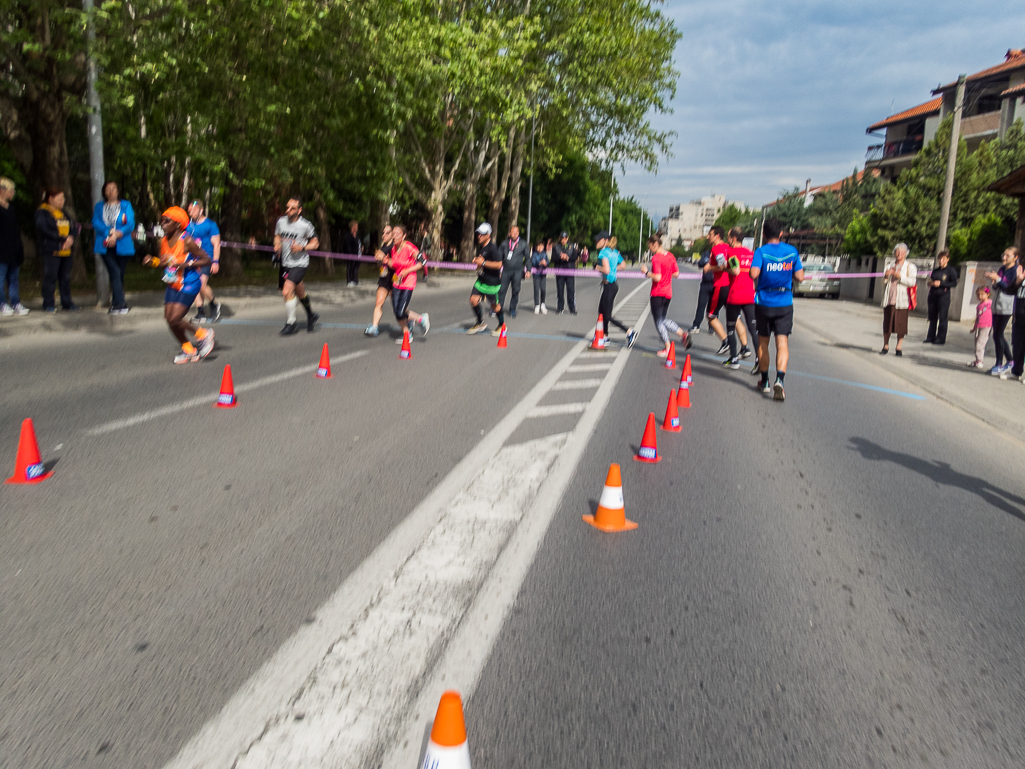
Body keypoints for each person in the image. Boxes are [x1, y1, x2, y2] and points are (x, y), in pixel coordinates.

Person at [143, 206, 215, 364]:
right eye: (161, 220)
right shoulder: (163, 241)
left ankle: (203, 334)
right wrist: (152, 262)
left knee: (175, 318)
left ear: (177, 224)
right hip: (173, 283)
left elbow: (206, 260)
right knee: (169, 319)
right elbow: (165, 263)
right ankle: (189, 350)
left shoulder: (187, 240)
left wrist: (185, 263)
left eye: (166, 220)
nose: (162, 223)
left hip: (189, 282)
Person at [750, 218, 804, 401]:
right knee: (782, 344)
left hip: (765, 302)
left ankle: (764, 382)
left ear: (764, 234)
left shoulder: (761, 251)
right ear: (781, 233)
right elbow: (800, 277)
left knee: (763, 343)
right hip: (784, 303)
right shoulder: (792, 252)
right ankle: (779, 380)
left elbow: (753, 274)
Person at [273, 197, 319, 335]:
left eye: (292, 208)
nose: (288, 210)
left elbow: (315, 243)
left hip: (299, 264)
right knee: (299, 292)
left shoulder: (305, 225)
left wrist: (302, 247)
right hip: (285, 263)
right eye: (287, 207)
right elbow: (277, 235)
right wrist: (277, 244)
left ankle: (291, 323)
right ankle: (311, 315)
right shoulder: (281, 221)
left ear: (299, 210)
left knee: (286, 291)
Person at [639, 233, 689, 358]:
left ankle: (670, 345)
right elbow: (676, 273)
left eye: (650, 247)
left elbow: (657, 277)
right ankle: (681, 335)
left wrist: (647, 272)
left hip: (658, 292)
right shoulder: (670, 256)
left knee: (659, 321)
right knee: (662, 318)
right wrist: (667, 276)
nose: (650, 250)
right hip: (668, 293)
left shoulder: (656, 258)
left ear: (655, 245)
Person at [92, 181, 136, 315]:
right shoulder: (99, 206)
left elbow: (130, 223)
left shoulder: (125, 205)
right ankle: (120, 304)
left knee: (119, 274)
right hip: (105, 245)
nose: (111, 191)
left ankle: (118, 303)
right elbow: (96, 222)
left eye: (114, 189)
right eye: (108, 189)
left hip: (123, 244)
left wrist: (117, 234)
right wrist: (109, 233)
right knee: (115, 272)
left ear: (118, 191)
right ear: (104, 192)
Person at [35, 187, 80, 312]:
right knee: (51, 276)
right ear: (50, 199)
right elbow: (44, 229)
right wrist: (62, 238)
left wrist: (70, 238)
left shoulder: (63, 213)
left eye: (63, 198)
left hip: (67, 250)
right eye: (60, 198)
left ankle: (67, 302)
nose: (63, 200)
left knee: (65, 277)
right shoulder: (43, 212)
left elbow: (74, 227)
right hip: (52, 250)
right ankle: (48, 303)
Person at [723, 226, 757, 372]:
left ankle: (734, 358)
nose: (727, 240)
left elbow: (735, 270)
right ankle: (759, 359)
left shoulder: (731, 252)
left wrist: (724, 267)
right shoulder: (751, 254)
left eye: (729, 237)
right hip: (750, 295)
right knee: (753, 328)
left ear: (734, 238)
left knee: (731, 326)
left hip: (735, 295)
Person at [387, 223, 429, 341]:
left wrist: (407, 271)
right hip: (397, 281)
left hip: (408, 282)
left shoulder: (409, 247)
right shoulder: (393, 249)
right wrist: (386, 261)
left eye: (397, 234)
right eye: (393, 234)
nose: (394, 236)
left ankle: (421, 319)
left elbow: (423, 262)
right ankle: (407, 335)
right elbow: (395, 264)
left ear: (404, 236)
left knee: (400, 312)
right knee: (397, 311)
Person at [593, 232, 636, 346]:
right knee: (601, 312)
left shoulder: (603, 252)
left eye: (598, 240)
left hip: (610, 286)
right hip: (611, 285)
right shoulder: (615, 252)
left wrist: (597, 267)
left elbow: (606, 270)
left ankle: (630, 332)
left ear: (605, 241)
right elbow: (623, 265)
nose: (596, 242)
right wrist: (612, 269)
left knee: (607, 315)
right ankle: (605, 336)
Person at [186, 199, 221, 322]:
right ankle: (201, 312)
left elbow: (216, 244)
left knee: (201, 285)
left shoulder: (210, 225)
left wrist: (215, 262)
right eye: (190, 211)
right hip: (192, 259)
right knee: (194, 284)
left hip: (206, 259)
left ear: (201, 210)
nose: (191, 213)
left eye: (194, 210)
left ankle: (213, 303)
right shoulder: (189, 226)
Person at [467, 222, 504, 335]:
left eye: (482, 234)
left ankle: (502, 325)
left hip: (492, 282)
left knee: (495, 306)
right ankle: (480, 322)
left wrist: (483, 262)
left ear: (489, 235)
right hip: (481, 280)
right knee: (473, 300)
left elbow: (499, 265)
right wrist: (477, 263)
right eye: (478, 234)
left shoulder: (493, 248)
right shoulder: (481, 248)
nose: (479, 236)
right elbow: (481, 265)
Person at [880, 243, 917, 356]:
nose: (898, 254)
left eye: (901, 252)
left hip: (902, 300)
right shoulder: (889, 265)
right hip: (890, 298)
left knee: (901, 324)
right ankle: (885, 345)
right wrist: (886, 276)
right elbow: (883, 283)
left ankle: (899, 347)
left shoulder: (910, 266)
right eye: (897, 252)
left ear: (905, 254)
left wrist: (900, 277)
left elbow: (912, 282)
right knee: (887, 323)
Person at [985, 247, 1018, 376]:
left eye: (1007, 256)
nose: (1004, 258)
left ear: (1015, 258)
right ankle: (1009, 360)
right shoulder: (1002, 269)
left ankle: (1000, 363)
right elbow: (998, 285)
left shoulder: (1016, 271)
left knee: (998, 334)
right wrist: (994, 282)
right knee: (997, 334)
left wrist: (998, 280)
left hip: (1007, 305)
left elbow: (1010, 288)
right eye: (1003, 255)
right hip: (997, 304)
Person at [0, 177, 28, 316]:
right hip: (2, 250)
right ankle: (2, 304)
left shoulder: (11, 207)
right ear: (2, 190)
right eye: (11, 190)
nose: (13, 193)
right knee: (0, 278)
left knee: (13, 278)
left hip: (14, 248)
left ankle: (16, 302)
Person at [705, 225, 731, 355]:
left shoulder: (717, 248)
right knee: (734, 316)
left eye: (710, 234)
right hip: (730, 285)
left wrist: (709, 267)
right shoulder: (728, 247)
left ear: (717, 236)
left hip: (720, 285)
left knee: (710, 316)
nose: (707, 237)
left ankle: (726, 341)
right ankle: (743, 346)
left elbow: (722, 266)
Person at [365, 224, 394, 336]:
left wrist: (384, 258)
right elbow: (381, 261)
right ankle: (374, 327)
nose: (384, 235)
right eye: (383, 232)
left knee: (398, 307)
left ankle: (413, 320)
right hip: (384, 278)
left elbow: (396, 262)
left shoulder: (394, 247)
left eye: (387, 233)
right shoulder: (383, 246)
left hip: (394, 279)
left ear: (392, 234)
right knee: (378, 303)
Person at [925, 250, 958, 344]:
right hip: (933, 295)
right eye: (940, 259)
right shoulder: (935, 271)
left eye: (943, 259)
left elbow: (954, 283)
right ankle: (930, 336)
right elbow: (930, 280)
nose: (941, 261)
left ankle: (940, 338)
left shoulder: (950, 270)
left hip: (943, 296)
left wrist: (941, 283)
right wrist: (931, 283)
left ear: (947, 259)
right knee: (932, 317)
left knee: (942, 317)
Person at [497, 224, 528, 317]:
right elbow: (499, 258)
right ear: (509, 233)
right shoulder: (504, 244)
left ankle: (512, 309)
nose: (514, 234)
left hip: (517, 271)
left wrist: (528, 270)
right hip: (506, 271)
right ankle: (498, 309)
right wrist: (498, 271)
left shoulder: (523, 244)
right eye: (512, 232)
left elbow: (528, 258)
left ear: (518, 233)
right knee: (501, 290)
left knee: (515, 290)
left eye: (516, 232)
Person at [966, 286, 992, 369]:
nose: (980, 296)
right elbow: (977, 317)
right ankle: (977, 360)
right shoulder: (979, 306)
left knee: (980, 344)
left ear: (988, 294)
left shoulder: (990, 304)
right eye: (978, 295)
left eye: (982, 294)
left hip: (986, 326)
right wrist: (974, 327)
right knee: (976, 343)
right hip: (978, 326)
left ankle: (980, 361)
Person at [690, 248, 714, 333]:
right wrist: (707, 262)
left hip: (715, 284)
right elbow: (700, 263)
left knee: (713, 308)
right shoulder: (706, 253)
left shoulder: (721, 254)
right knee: (701, 305)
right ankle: (696, 325)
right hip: (705, 284)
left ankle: (712, 327)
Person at [552, 232, 577, 314]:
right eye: (562, 238)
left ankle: (572, 308)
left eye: (565, 238)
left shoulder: (572, 246)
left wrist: (568, 258)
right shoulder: (556, 247)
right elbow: (553, 258)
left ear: (567, 238)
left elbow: (575, 257)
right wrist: (560, 257)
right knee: (560, 290)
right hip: (560, 271)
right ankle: (560, 307)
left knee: (571, 290)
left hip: (569, 271)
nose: (563, 240)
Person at [342, 219, 362, 287]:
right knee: (350, 267)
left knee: (356, 268)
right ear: (351, 227)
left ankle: (355, 280)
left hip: (358, 255)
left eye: (357, 226)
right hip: (350, 255)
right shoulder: (348, 235)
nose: (356, 228)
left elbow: (359, 244)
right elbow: (347, 246)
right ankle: (349, 281)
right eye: (354, 226)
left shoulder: (357, 236)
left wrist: (361, 247)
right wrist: (350, 254)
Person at [530, 240, 548, 314]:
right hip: (536, 275)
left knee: (543, 289)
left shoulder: (545, 254)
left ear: (543, 247)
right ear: (536, 247)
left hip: (543, 274)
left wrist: (546, 263)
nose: (540, 248)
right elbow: (533, 262)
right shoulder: (534, 254)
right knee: (536, 290)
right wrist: (539, 263)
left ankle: (543, 304)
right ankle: (537, 305)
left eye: (541, 246)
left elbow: (548, 261)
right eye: (538, 246)